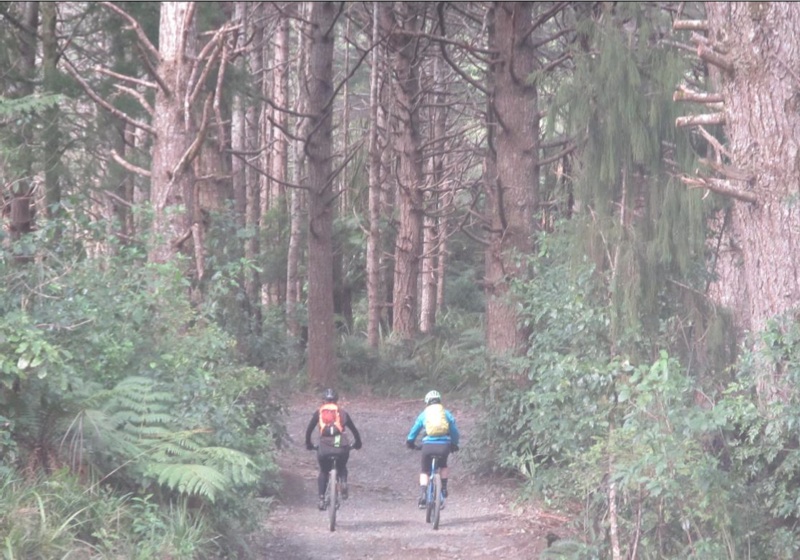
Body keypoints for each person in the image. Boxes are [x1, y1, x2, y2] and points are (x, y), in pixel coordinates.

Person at [305, 388, 362, 510]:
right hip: (339, 445)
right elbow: (354, 430)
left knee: (324, 471)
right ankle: (343, 482)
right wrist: (358, 443)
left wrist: (308, 444)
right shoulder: (342, 413)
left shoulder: (319, 412)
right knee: (342, 466)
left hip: (324, 447)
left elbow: (308, 431)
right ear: (336, 400)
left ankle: (321, 499)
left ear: (323, 400)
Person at [405, 390, 460, 508]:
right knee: (443, 466)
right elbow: (454, 431)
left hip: (428, 446)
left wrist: (410, 442)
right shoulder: (445, 413)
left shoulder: (424, 414)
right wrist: (454, 444)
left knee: (425, 471)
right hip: (444, 446)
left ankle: (423, 494)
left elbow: (415, 429)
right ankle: (443, 488)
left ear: (427, 402)